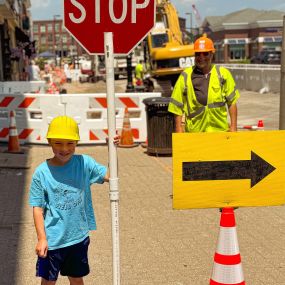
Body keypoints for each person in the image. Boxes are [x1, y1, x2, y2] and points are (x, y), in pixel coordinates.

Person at [29, 116, 119, 285]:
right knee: (48, 281)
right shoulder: (41, 173)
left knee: (77, 279)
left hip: (78, 237)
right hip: (52, 241)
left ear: (76, 143)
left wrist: (112, 150)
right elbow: (37, 209)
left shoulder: (84, 163)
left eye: (70, 143)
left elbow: (110, 176)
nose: (64, 149)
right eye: (58, 143)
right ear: (49, 141)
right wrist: (42, 238)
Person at [168, 36, 240, 133]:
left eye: (205, 54)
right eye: (198, 54)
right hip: (195, 133)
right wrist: (179, 130)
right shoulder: (185, 76)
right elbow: (176, 106)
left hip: (219, 132)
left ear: (211, 54)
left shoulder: (223, 74)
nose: (201, 57)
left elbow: (232, 102)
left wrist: (233, 127)